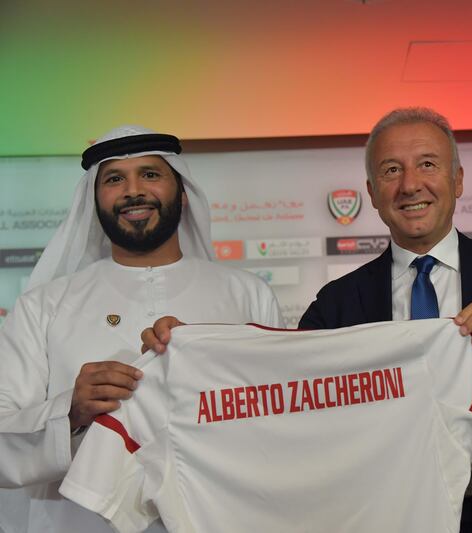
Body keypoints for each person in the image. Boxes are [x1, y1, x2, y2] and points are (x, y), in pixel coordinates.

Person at [298, 107, 472, 532]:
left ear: (459, 180)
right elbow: (298, 417)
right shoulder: (337, 304)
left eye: (428, 164)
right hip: (383, 517)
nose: (410, 184)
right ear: (372, 192)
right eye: (391, 170)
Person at [0, 125, 284, 533]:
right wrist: (70, 411)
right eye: (114, 179)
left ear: (182, 193)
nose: (133, 190)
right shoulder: (42, 307)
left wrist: (212, 367)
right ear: (94, 201)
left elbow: (279, 419)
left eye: (150, 174)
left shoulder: (247, 296)